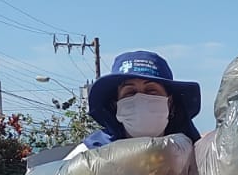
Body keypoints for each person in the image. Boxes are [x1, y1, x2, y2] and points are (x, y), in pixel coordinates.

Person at [74, 50, 203, 157]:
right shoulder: (89, 156)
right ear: (116, 105)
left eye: (151, 91)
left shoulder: (192, 156)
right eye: (130, 92)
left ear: (170, 103)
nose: (141, 98)